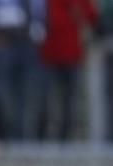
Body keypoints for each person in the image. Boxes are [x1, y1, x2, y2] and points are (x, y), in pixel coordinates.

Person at [0, 0, 44, 139]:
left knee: (25, 96)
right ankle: (2, 136)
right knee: (1, 95)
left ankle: (22, 139)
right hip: (0, 43)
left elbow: (38, 11)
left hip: (25, 43)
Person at [36, 0, 97, 141]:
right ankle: (45, 135)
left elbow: (91, 16)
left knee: (70, 99)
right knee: (48, 98)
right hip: (49, 55)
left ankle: (66, 136)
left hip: (71, 55)